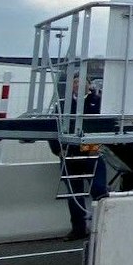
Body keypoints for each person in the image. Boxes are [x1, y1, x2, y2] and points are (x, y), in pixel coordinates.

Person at [51, 77, 107, 240]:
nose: (78, 84)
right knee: (73, 194)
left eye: (82, 81)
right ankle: (78, 229)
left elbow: (101, 128)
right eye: (74, 82)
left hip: (91, 155)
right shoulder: (62, 105)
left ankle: (102, 227)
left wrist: (93, 148)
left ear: (89, 85)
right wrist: (58, 151)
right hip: (70, 155)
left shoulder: (98, 102)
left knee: (99, 190)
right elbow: (54, 129)